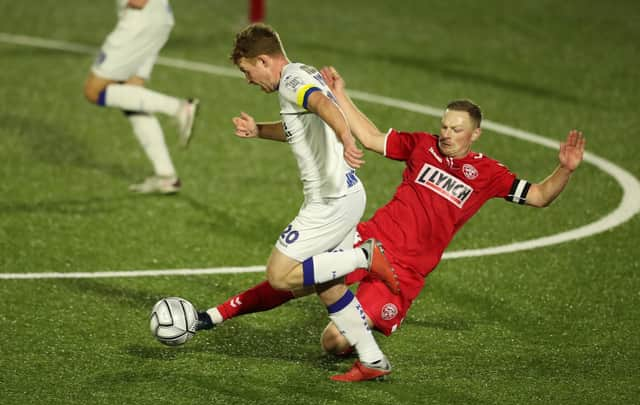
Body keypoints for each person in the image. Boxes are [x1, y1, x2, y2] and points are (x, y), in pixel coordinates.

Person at [195, 65, 586, 382]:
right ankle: (215, 315)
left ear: (475, 134)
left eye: (456, 130)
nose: (447, 134)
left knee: (332, 342)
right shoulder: (422, 145)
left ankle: (364, 337)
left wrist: (564, 171)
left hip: (406, 272)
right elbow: (369, 137)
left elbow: (538, 196)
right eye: (445, 126)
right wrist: (341, 95)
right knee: (296, 275)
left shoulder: (488, 173)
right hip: (372, 237)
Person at [197, 23, 401, 381]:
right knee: (328, 283)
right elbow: (300, 127)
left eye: (247, 71)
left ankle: (364, 256)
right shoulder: (300, 73)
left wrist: (346, 137)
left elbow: (323, 105)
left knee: (278, 276)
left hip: (329, 203)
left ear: (263, 60)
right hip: (347, 194)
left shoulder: (292, 81)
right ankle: (372, 359)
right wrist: (260, 130)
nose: (247, 80)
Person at [83, 0, 199, 194]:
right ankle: (166, 176)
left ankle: (179, 108)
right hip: (158, 19)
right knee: (131, 94)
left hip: (138, 22)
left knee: (94, 91)